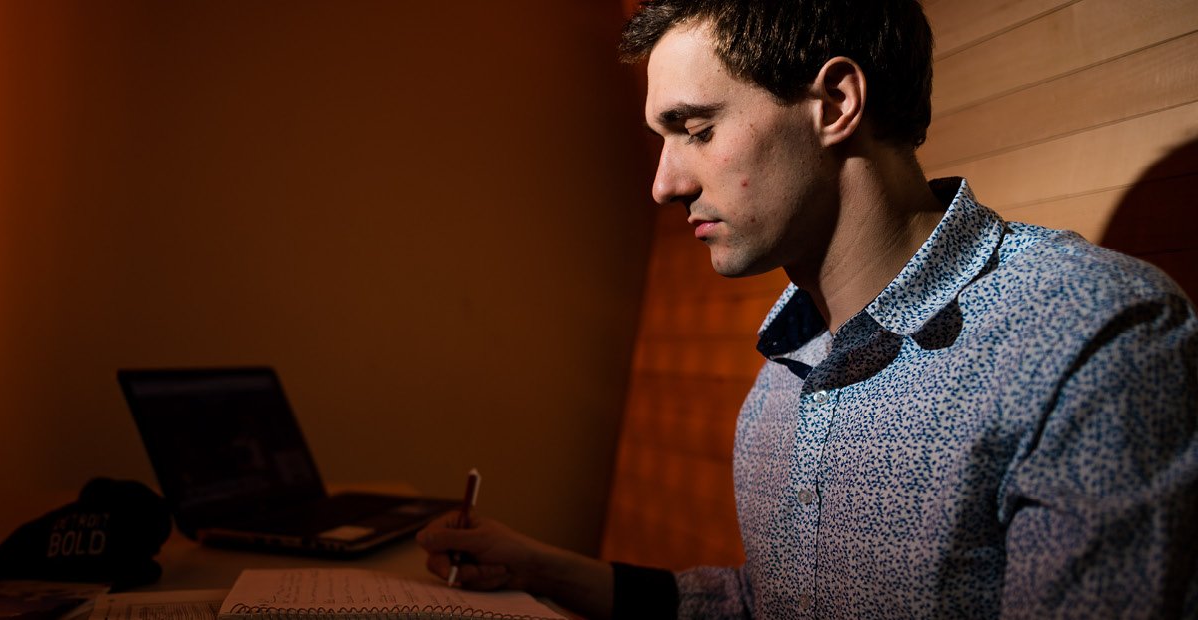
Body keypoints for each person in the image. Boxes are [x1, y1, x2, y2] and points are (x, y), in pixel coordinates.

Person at [416, 0, 1198, 617]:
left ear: (835, 102)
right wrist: (544, 569)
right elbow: (772, 604)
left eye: (695, 129)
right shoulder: (781, 380)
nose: (665, 183)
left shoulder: (1091, 335)